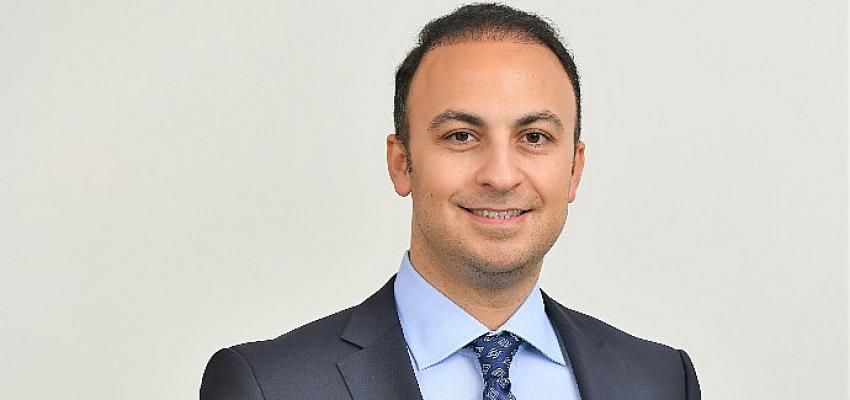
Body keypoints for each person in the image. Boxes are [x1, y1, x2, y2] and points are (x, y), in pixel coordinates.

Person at [200, 3, 700, 400]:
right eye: (461, 136)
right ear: (402, 163)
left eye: (534, 137)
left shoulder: (660, 381)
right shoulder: (269, 386)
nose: (500, 176)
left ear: (574, 169)